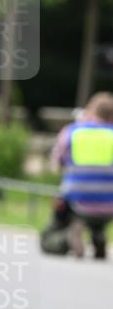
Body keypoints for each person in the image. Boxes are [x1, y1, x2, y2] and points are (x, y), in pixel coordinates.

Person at [42, 92, 113, 260]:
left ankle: (65, 237)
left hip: (77, 202)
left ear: (91, 110)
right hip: (109, 205)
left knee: (61, 206)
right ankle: (98, 235)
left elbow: (57, 163)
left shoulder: (73, 132)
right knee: (102, 200)